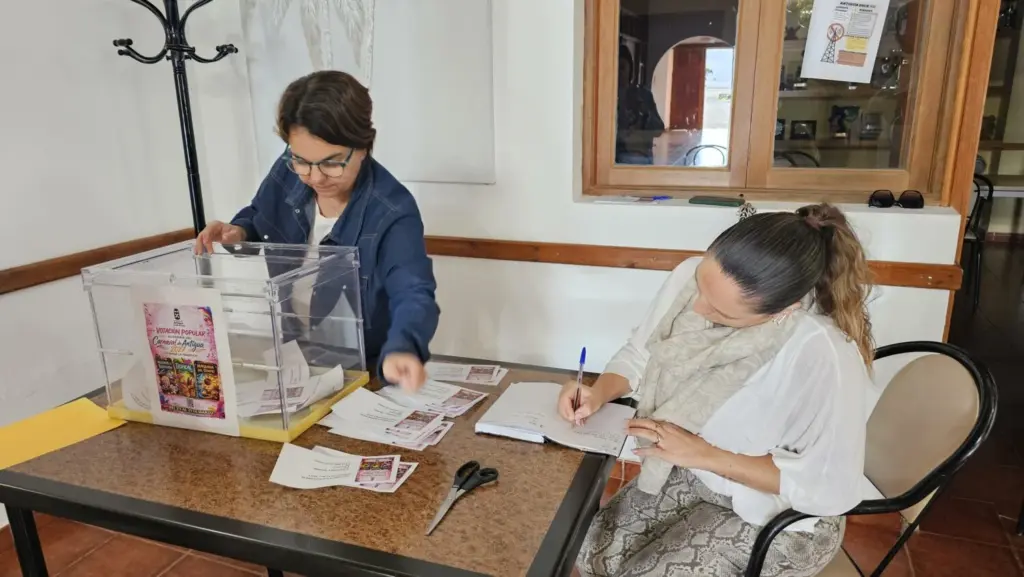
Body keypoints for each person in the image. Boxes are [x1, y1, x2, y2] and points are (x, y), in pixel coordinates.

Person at [561, 204, 875, 577]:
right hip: (695, 473)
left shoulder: (821, 352)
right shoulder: (692, 277)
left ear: (783, 311)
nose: (696, 307)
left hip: (781, 514)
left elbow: (827, 488)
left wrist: (705, 454)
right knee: (590, 551)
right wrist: (598, 392)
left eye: (721, 314)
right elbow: (641, 354)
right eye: (700, 286)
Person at [194, 70, 439, 391]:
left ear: (364, 146)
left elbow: (413, 291)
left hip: (361, 369)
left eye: (332, 163)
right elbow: (260, 214)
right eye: (301, 161)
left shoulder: (392, 210)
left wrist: (403, 348)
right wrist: (238, 231)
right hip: (293, 358)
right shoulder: (287, 171)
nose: (315, 177)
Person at [616, 47, 665, 165]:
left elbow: (658, 129)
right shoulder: (604, 97)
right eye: (615, 68)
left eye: (622, 67)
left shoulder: (643, 95)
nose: (619, 72)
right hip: (615, 159)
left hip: (642, 158)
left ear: (630, 69)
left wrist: (646, 113)